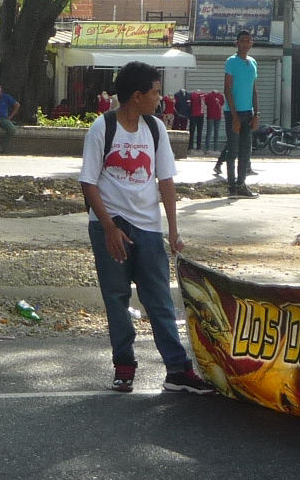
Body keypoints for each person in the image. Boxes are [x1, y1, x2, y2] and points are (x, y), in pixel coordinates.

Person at [79, 60, 215, 396]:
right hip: (110, 225)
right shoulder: (102, 128)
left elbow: (165, 181)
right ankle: (124, 367)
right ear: (137, 96)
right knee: (117, 298)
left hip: (148, 227)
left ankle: (177, 370)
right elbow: (88, 183)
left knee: (159, 301)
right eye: (155, 92)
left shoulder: (155, 129)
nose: (160, 97)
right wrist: (109, 228)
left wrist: (173, 230)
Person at [223, 32, 259, 196]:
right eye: (243, 41)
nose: (246, 43)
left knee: (245, 151)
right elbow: (227, 90)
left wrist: (256, 114)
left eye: (248, 40)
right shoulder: (231, 62)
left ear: (252, 43)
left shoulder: (253, 63)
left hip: (249, 113)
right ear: (237, 43)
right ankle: (231, 187)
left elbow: (253, 90)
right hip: (233, 113)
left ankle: (241, 184)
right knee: (233, 150)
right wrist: (235, 116)